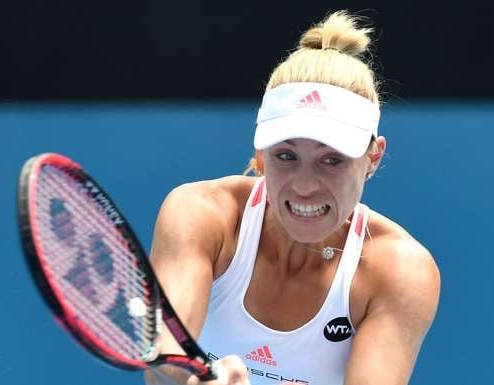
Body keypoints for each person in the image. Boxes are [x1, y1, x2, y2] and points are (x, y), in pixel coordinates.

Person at [144, 10, 440, 385]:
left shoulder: (399, 271)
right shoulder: (199, 214)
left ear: (372, 159)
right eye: (286, 156)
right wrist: (195, 380)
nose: (304, 185)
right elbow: (166, 363)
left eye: (332, 160)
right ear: (259, 154)